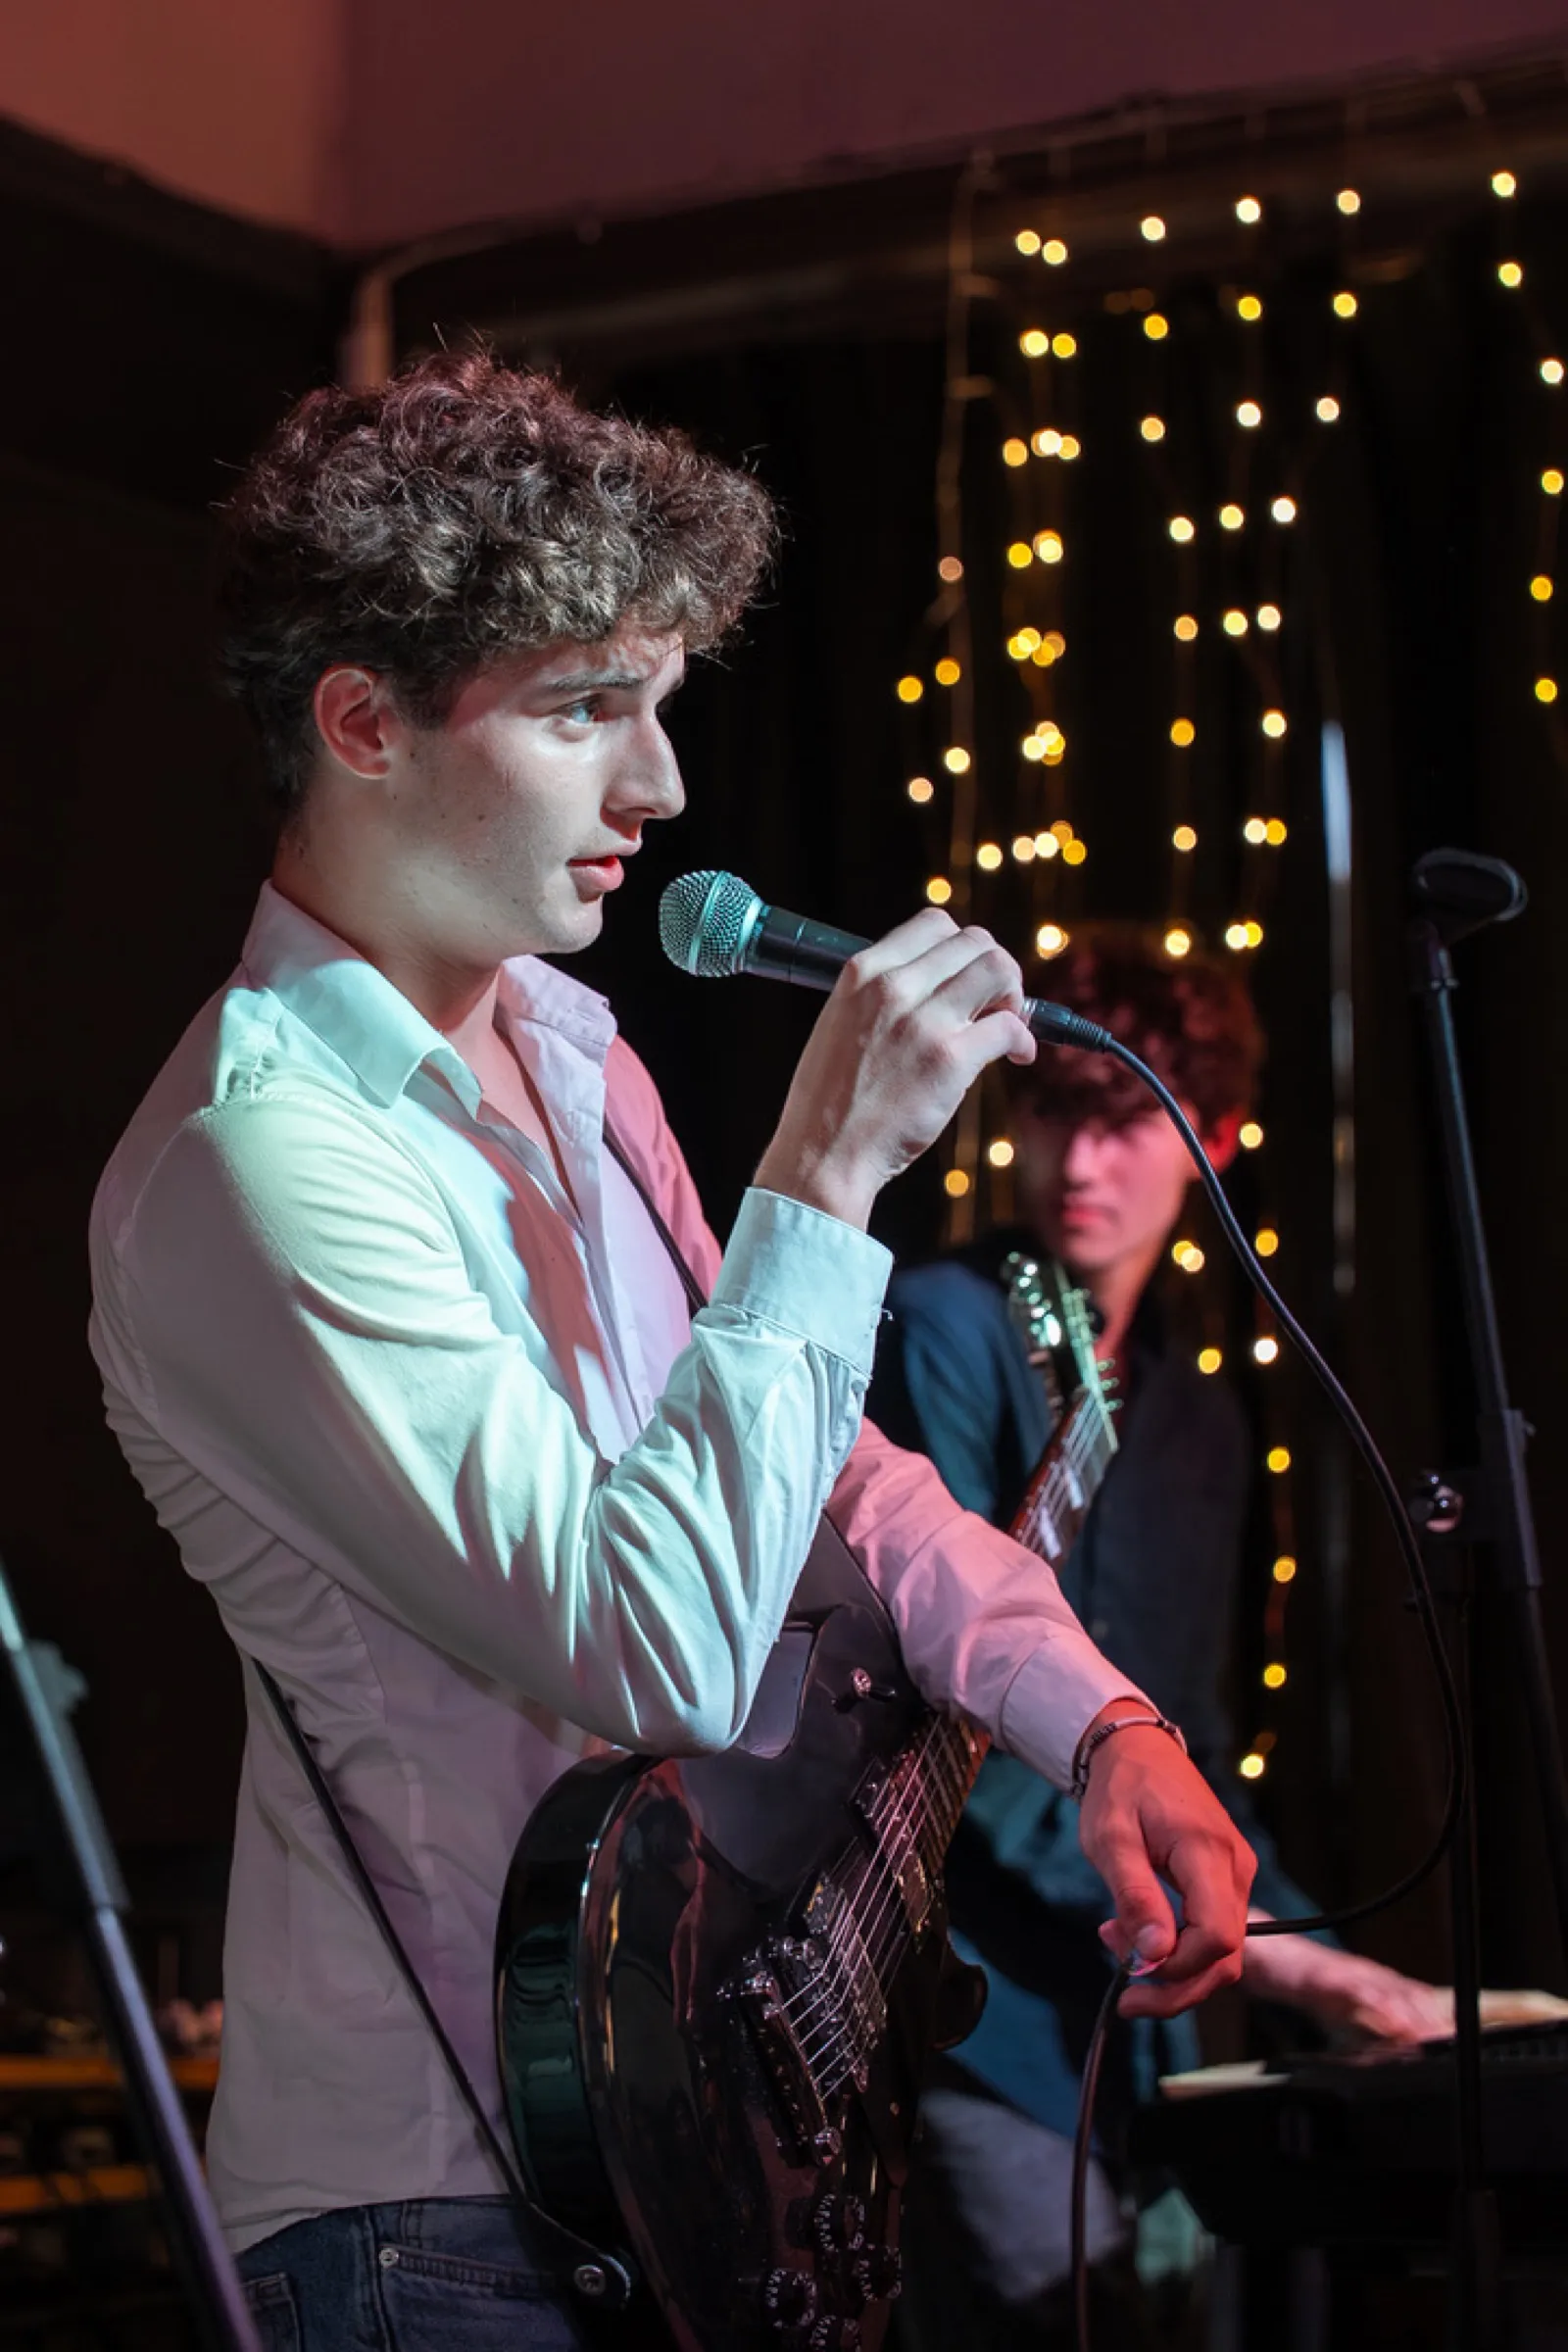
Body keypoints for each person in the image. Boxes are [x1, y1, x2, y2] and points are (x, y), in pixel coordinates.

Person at [86, 357, 1255, 2352]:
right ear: (358, 723)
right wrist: (823, 1172)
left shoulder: (567, 1043)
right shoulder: (257, 1160)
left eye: (663, 701)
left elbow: (799, 1469)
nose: (661, 788)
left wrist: (1097, 1718)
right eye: (580, 710)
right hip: (443, 2205)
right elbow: (660, 1655)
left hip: (687, 2126)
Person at [869, 924, 1456, 2350]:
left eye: (1127, 1121)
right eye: (1057, 1113)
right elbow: (967, 1717)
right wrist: (1295, 1964)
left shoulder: (1198, 1417)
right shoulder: (949, 1322)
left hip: (1142, 2032)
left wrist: (1329, 1952)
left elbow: (1178, 1746)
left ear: (1216, 1137)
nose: (1081, 1162)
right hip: (978, 2019)